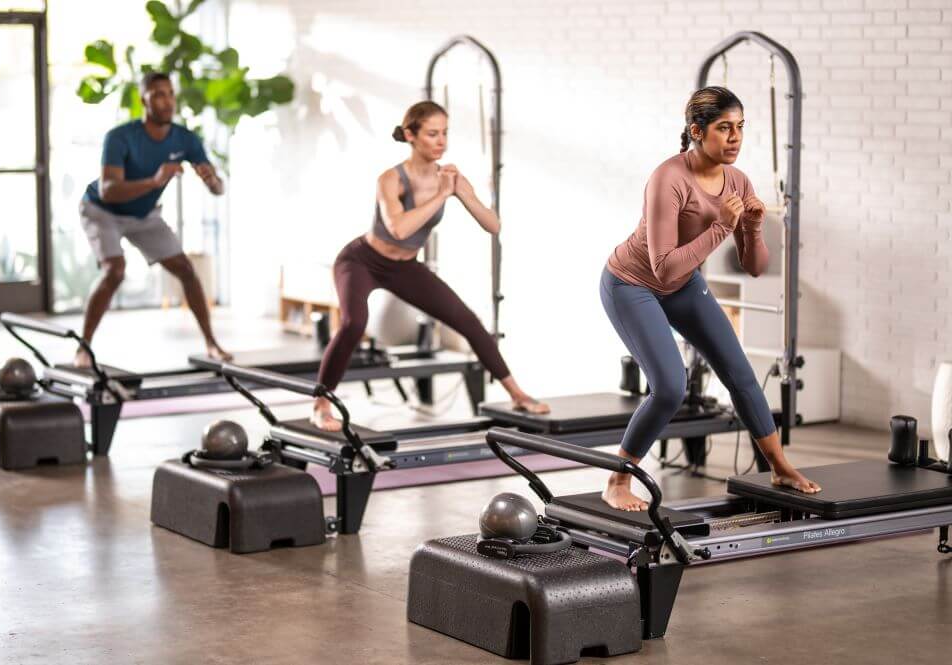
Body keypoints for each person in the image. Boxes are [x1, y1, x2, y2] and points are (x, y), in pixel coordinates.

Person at [599, 86, 821, 510]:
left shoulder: (736, 180)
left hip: (682, 287)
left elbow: (754, 266)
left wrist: (752, 228)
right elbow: (662, 266)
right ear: (696, 131)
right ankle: (618, 479)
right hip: (632, 284)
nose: (735, 137)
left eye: (740, 127)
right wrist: (720, 227)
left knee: (740, 373)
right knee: (669, 387)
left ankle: (778, 465)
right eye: (724, 128)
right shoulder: (668, 179)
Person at [312, 101, 548, 431]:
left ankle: (517, 394)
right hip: (361, 261)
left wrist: (461, 193)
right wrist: (441, 195)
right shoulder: (390, 179)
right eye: (432, 134)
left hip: (405, 267)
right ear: (410, 135)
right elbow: (398, 229)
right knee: (354, 322)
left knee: (468, 321)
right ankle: (322, 403)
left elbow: (493, 225)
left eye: (445, 134)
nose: (441, 141)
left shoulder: (449, 178)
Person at [75, 71, 230, 367]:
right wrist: (154, 180)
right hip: (102, 210)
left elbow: (218, 189)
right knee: (115, 271)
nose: (167, 101)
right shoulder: (120, 137)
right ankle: (83, 347)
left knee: (186, 268)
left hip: (143, 215)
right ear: (143, 99)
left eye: (170, 93)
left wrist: (212, 181)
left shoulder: (185, 139)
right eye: (158, 94)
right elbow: (108, 191)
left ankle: (211, 343)